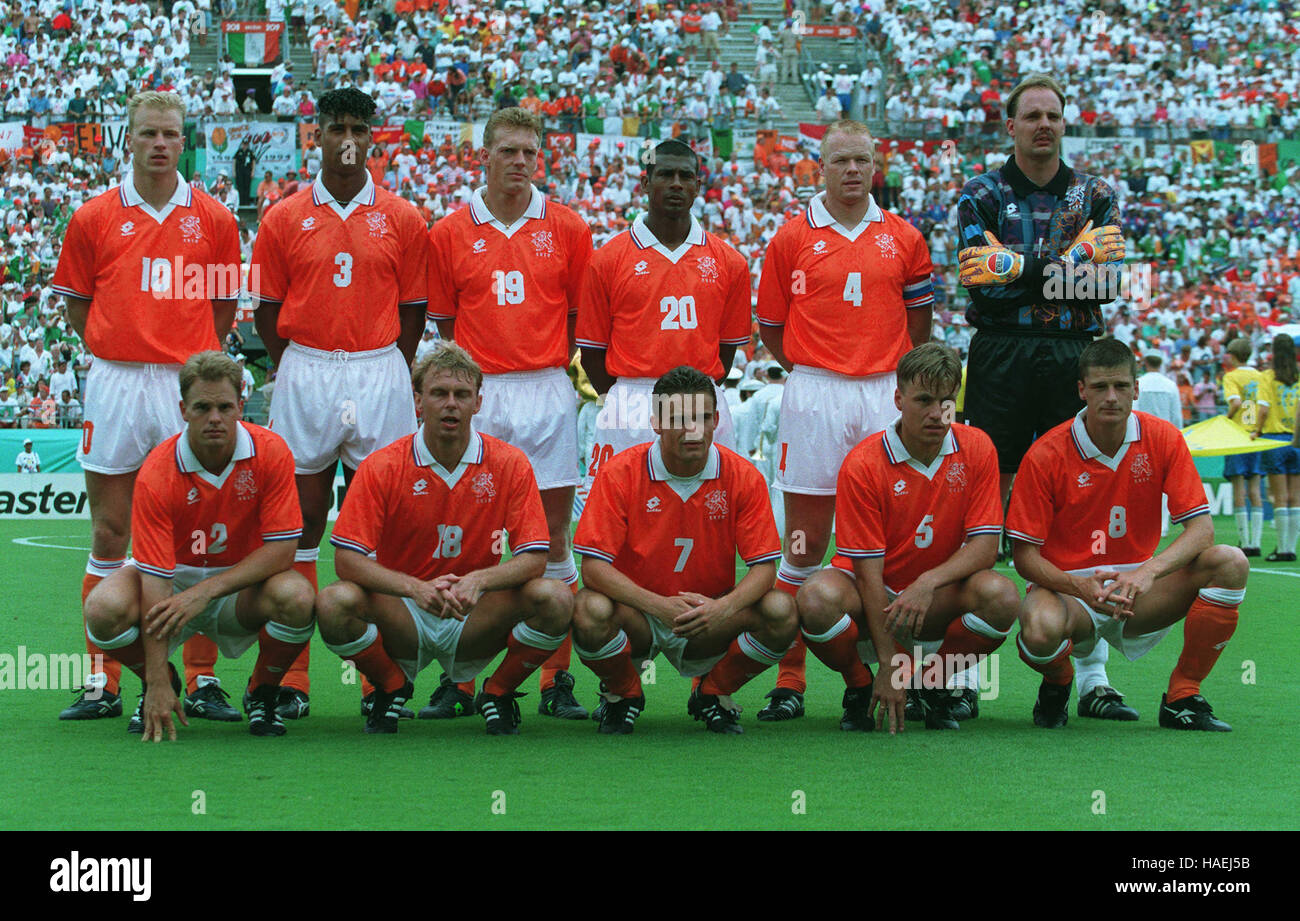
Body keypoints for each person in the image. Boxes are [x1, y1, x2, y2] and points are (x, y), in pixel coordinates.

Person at [50, 90, 241, 723]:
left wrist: (181, 359)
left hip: (186, 384)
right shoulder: (94, 217)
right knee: (110, 529)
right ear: (127, 138)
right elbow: (80, 308)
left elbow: (221, 313)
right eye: (148, 134)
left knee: (200, 533)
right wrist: (121, 345)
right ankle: (101, 681)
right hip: (116, 381)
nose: (159, 144)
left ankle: (204, 677)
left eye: (170, 135)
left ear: (184, 141)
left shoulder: (213, 219)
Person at [956, 74, 1133, 721]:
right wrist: (1064, 263)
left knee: (1075, 505)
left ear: (1065, 123)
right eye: (1032, 115)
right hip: (1000, 352)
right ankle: (961, 669)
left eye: (1053, 115)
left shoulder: (1097, 194)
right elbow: (980, 284)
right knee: (987, 505)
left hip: (1070, 356)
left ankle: (1089, 674)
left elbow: (1103, 283)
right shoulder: (979, 193)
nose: (1043, 125)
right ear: (1010, 125)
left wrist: (1018, 266)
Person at [251, 87, 429, 720]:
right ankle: (291, 679)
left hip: (380, 367)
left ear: (372, 138)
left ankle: (381, 679)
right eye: (336, 128)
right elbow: (269, 312)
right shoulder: (283, 215)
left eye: (358, 127)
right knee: (299, 519)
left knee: (383, 524)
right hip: (308, 365)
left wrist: (385, 364)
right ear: (317, 136)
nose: (347, 138)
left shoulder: (405, 217)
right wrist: (298, 365)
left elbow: (414, 312)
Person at [755, 119, 933, 721]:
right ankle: (790, 678)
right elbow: (772, 328)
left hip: (886, 392)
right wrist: (817, 371)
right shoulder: (790, 237)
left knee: (892, 542)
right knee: (803, 542)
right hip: (817, 393)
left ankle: (908, 675)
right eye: (840, 162)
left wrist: (886, 377)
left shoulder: (905, 237)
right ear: (821, 166)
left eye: (862, 160)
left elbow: (920, 331)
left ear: (875, 165)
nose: (852, 171)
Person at [426, 107, 594, 721]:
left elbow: (578, 318)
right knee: (474, 533)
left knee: (552, 537)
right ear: (485, 156)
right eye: (509, 151)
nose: (520, 161)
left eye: (530, 151)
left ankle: (557, 678)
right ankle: (462, 680)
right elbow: (446, 324)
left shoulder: (569, 227)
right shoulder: (449, 232)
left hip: (547, 387)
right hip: (482, 390)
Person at [316, 343, 573, 735]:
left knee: (555, 598)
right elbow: (347, 561)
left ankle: (498, 692)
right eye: (438, 393)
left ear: (478, 403)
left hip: (475, 613)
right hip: (405, 611)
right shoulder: (382, 465)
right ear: (417, 401)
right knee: (334, 602)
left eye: (461, 395)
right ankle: (390, 686)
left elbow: (534, 558)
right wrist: (414, 588)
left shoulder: (509, 462)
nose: (450, 404)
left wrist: (478, 581)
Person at [1009, 339, 1246, 732]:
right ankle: (1059, 682)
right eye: (1100, 387)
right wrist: (1080, 586)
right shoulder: (1046, 452)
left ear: (1136, 389)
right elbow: (1024, 558)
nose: (1112, 397)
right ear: (1081, 390)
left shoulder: (1164, 437)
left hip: (1140, 592)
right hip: (1072, 592)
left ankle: (1183, 695)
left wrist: (1147, 572)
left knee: (1231, 562)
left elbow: (1202, 530)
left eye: (1121, 386)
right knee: (1038, 630)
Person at [81, 352, 314, 740]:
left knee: (298, 597)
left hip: (239, 588)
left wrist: (205, 593)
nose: (215, 418)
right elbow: (155, 581)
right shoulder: (157, 470)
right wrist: (155, 679)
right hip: (172, 586)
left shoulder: (271, 451)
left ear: (241, 406)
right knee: (102, 609)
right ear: (183, 410)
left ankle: (262, 692)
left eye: (225, 406)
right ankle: (164, 684)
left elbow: (282, 552)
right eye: (202, 407)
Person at [796, 343, 1016, 732]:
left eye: (947, 402)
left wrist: (927, 582)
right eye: (924, 400)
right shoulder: (863, 463)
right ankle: (860, 685)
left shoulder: (977, 446)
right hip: (871, 595)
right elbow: (866, 572)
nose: (936, 413)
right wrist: (888, 664)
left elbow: (985, 548)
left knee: (1002, 596)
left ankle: (929, 684)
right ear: (898, 398)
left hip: (934, 595)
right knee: (815, 598)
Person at [572, 366, 795, 734]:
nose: (693, 430)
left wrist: (721, 609)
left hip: (706, 619)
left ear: (716, 420)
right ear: (656, 422)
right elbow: (593, 568)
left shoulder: (742, 475)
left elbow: (765, 569)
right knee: (588, 609)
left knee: (781, 610)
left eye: (702, 418)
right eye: (678, 419)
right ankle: (623, 692)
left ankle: (713, 691)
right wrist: (657, 605)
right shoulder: (620, 473)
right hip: (638, 616)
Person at [577, 138, 751, 476]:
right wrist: (625, 398)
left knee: (708, 514)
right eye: (665, 174)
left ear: (698, 186)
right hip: (630, 401)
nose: (676, 184)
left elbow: (726, 352)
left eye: (685, 176)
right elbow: (592, 355)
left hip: (701, 399)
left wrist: (697, 394)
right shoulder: (607, 260)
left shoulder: (730, 262)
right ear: (644, 183)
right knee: (621, 515)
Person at [1221, 337, 1264, 556]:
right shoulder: (1260, 376)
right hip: (1256, 436)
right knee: (1255, 490)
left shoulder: (1232, 376)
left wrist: (1226, 419)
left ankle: (1245, 541)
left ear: (1233, 355)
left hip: (1237, 436)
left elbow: (1236, 403)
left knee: (1239, 490)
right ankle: (1256, 542)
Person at [1259, 333, 1300, 561]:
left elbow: (1263, 409)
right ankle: (1291, 549)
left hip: (1274, 439)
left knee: (1280, 497)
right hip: (1297, 440)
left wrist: (1255, 430)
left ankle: (1282, 548)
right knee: (1296, 497)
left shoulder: (1268, 376)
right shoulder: (1298, 375)